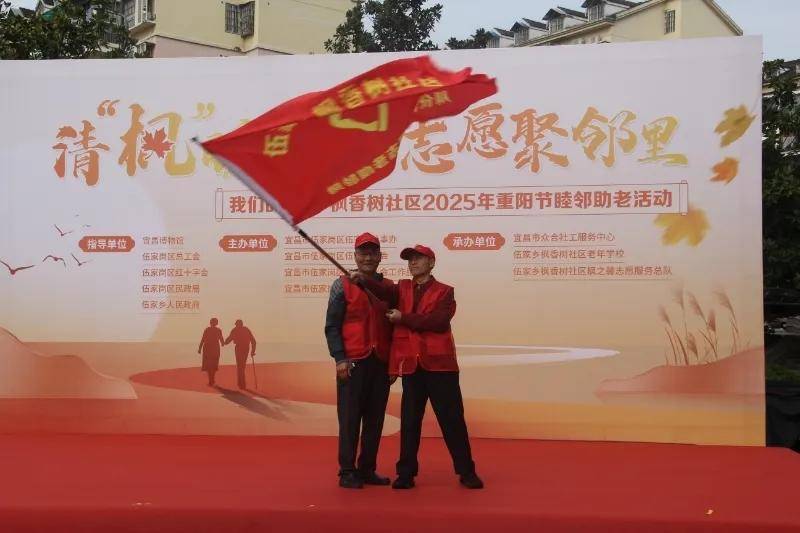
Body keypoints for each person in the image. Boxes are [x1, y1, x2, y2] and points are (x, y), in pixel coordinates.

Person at [353, 244, 483, 490]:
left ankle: (466, 471)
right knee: (410, 422)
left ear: (431, 263)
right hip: (412, 366)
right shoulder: (401, 288)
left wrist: (404, 318)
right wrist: (363, 280)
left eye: (418, 259)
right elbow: (381, 290)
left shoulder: (445, 291)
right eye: (410, 259)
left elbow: (438, 322)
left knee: (452, 420)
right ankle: (405, 474)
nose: (413, 263)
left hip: (441, 367)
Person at [324, 232, 394, 489]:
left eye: (373, 253)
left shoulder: (389, 289)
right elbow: (332, 326)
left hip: (380, 362)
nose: (368, 257)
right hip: (352, 362)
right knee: (350, 419)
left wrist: (393, 363)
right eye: (363, 253)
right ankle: (347, 471)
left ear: (380, 256)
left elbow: (395, 328)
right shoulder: (341, 285)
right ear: (355, 256)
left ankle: (367, 469)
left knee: (375, 420)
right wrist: (340, 358)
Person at [225, 319, 257, 389]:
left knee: (240, 366)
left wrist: (224, 342)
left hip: (239, 348)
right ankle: (241, 383)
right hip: (245, 348)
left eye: (237, 324)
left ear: (238, 324)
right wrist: (252, 351)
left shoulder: (235, 330)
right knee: (242, 366)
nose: (236, 326)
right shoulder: (246, 330)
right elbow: (253, 341)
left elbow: (229, 339)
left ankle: (241, 384)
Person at [198, 318, 225, 386]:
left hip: (207, 348)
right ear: (216, 323)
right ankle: (212, 379)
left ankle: (211, 380)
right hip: (215, 349)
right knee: (213, 364)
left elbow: (203, 339)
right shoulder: (218, 330)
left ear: (210, 323)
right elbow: (221, 340)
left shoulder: (207, 330)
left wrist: (200, 348)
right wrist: (223, 343)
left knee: (208, 365)